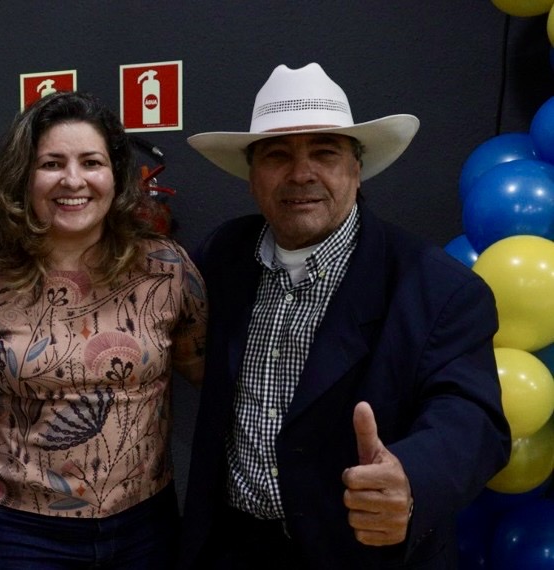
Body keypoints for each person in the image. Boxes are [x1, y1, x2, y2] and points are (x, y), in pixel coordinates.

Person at [179, 63, 511, 568]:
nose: (301, 173)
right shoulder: (222, 255)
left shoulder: (440, 288)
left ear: (358, 170)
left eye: (325, 152)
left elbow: (473, 418)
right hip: (231, 547)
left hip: (359, 554)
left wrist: (412, 477)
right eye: (277, 155)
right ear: (252, 178)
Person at [0, 90, 207, 569]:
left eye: (91, 162)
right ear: (23, 178)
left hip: (140, 524)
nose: (73, 180)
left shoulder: (167, 270)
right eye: (51, 163)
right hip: (11, 530)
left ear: (116, 175)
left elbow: (212, 379)